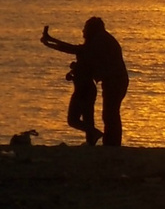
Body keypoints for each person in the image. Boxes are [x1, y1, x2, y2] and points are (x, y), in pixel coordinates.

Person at [41, 17, 129, 147]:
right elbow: (81, 54)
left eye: (85, 28)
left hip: (115, 81)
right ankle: (110, 143)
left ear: (92, 29)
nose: (83, 31)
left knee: (110, 113)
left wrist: (50, 41)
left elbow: (77, 50)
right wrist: (50, 41)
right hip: (113, 80)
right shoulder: (99, 39)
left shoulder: (100, 40)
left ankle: (112, 144)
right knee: (110, 113)